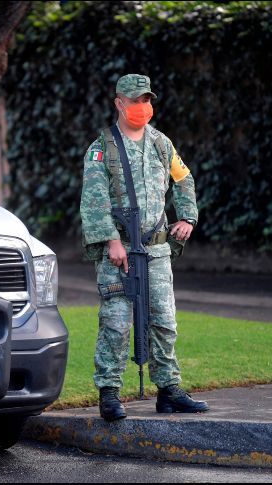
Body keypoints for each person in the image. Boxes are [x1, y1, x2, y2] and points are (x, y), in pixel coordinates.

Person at [79, 73, 210, 422]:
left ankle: (169, 390)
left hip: (156, 249)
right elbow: (93, 201)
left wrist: (187, 219)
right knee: (117, 323)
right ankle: (109, 392)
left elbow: (184, 180)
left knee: (164, 322)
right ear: (119, 103)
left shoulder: (161, 143)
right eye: (136, 100)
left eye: (147, 100)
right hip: (118, 251)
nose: (143, 107)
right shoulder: (102, 148)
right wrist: (110, 241)